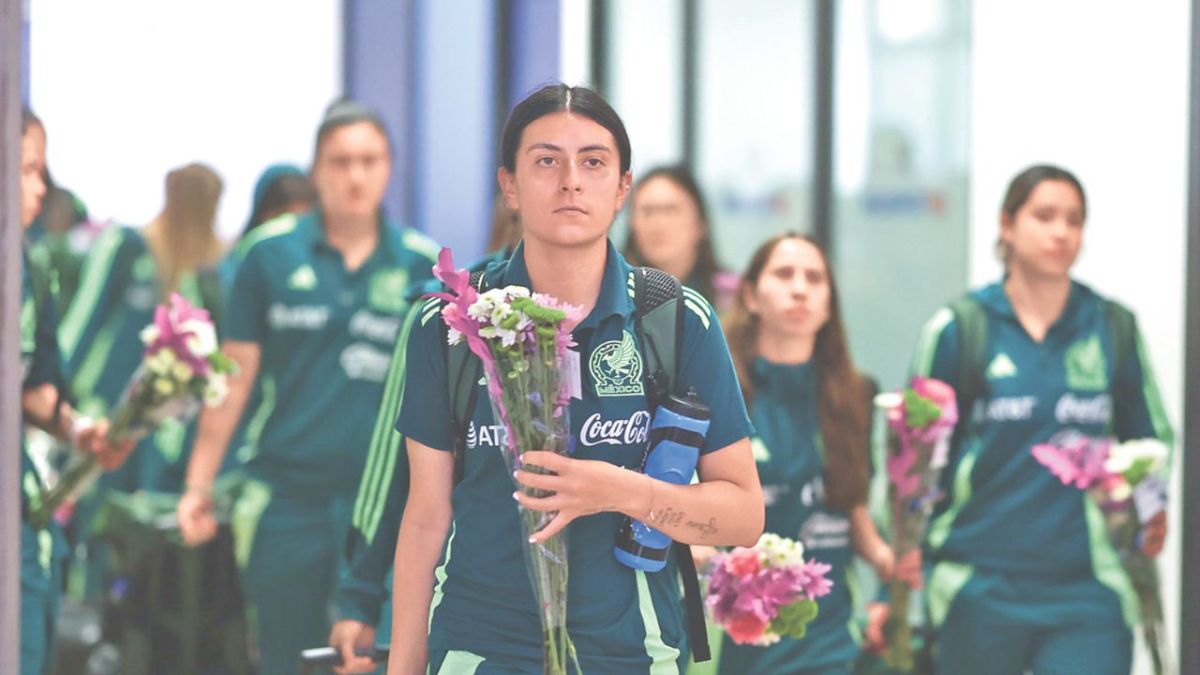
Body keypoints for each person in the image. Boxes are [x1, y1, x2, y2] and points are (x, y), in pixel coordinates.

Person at [387, 83, 764, 675]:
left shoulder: (675, 319)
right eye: (546, 161)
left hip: (634, 652)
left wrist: (619, 491)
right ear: (509, 184)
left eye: (593, 161)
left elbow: (744, 516)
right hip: (479, 649)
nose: (571, 181)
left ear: (621, 189)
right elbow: (425, 515)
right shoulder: (449, 326)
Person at [176, 99, 439, 675]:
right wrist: (198, 484)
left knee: (380, 661)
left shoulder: (424, 265)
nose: (355, 175)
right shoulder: (266, 255)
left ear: (389, 166)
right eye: (340, 161)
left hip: (388, 515)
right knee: (286, 659)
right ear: (317, 169)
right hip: (285, 501)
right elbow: (233, 380)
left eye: (369, 160)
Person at [903, 165, 1172, 674]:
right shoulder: (961, 328)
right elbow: (912, 459)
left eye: (1074, 219)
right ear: (1007, 225)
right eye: (1044, 216)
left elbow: (1150, 441)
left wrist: (1151, 506)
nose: (1061, 231)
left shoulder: (1111, 326)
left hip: (1089, 589)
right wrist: (901, 559)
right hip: (976, 584)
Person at [330, 196, 522, 675]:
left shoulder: (615, 310)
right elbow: (389, 465)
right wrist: (360, 594)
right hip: (462, 606)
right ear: (513, 200)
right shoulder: (445, 312)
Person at [707, 233, 916, 674]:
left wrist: (888, 560)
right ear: (750, 295)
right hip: (741, 638)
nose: (800, 288)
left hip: (830, 642)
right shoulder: (717, 393)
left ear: (828, 304)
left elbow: (852, 511)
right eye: (784, 274)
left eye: (815, 278)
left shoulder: (854, 396)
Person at [18, 107, 133, 675]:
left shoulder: (29, 266)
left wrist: (78, 429)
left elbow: (32, 387)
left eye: (42, 170)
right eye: (28, 169)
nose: (41, 188)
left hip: (19, 519)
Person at [58, 163, 225, 493]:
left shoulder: (210, 275)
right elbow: (83, 321)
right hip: (106, 411)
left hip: (168, 430)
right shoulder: (128, 247)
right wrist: (55, 392)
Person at [623, 166, 737, 312]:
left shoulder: (733, 298)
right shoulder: (611, 294)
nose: (658, 224)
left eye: (670, 210)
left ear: (700, 223)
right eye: (648, 211)